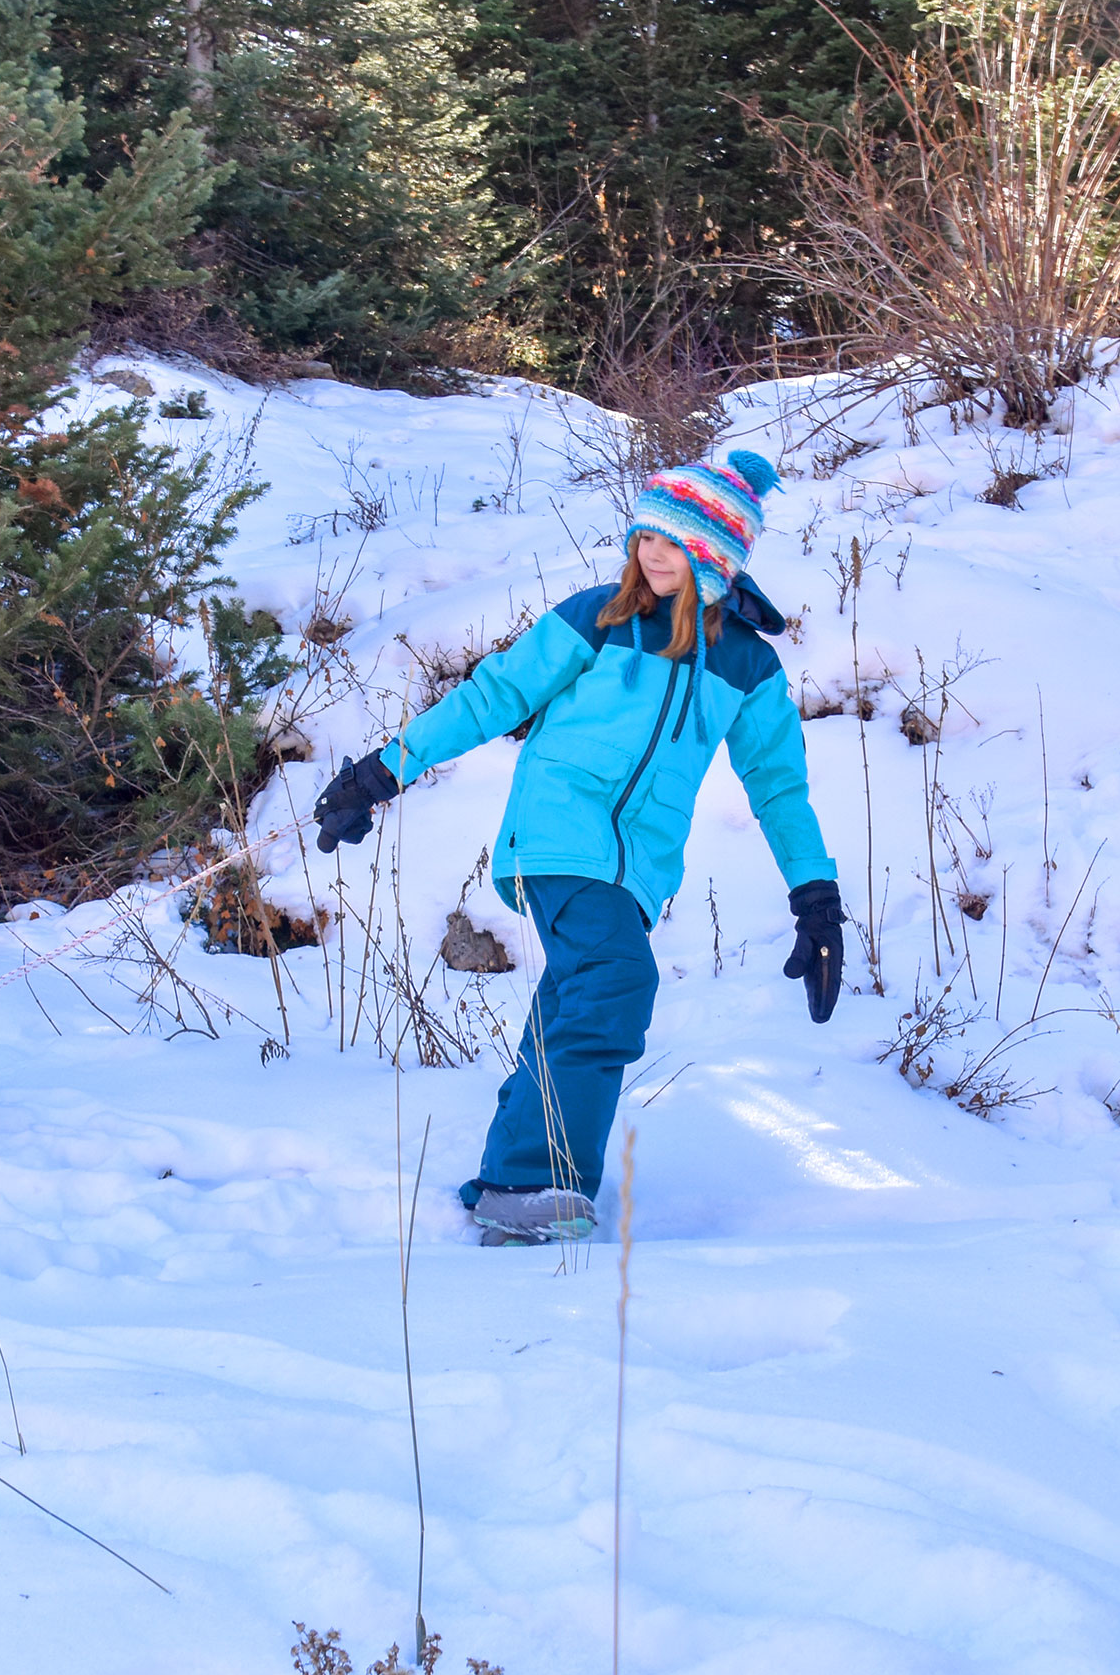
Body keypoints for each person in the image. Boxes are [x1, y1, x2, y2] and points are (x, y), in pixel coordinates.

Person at [312, 450, 844, 1245]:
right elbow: (491, 697)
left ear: (717, 559)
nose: (652, 553)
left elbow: (776, 786)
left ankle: (508, 1179)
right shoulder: (596, 618)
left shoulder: (747, 665)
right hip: (558, 839)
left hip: (638, 869)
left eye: (675, 541)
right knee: (614, 979)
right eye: (645, 536)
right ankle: (538, 1182)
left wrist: (816, 895)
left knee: (573, 999)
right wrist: (381, 774)